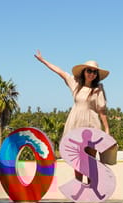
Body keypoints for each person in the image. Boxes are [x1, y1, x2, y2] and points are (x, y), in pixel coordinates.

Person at [35, 50, 111, 183]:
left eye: (94, 72)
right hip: (76, 124)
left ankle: (92, 188)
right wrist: (43, 61)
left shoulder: (98, 89)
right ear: (84, 72)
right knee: (78, 160)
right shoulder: (75, 84)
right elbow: (60, 72)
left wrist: (107, 129)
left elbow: (102, 111)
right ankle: (79, 186)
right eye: (89, 71)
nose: (92, 74)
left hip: (92, 125)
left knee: (91, 160)